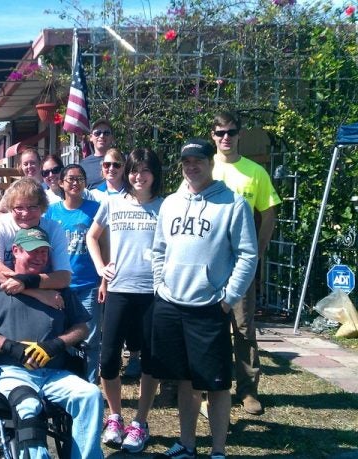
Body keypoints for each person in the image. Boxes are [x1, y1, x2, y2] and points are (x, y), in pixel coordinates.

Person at [151, 139, 257, 459]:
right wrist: (160, 284)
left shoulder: (233, 204)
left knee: (216, 383)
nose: (192, 167)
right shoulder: (170, 203)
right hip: (171, 302)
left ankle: (219, 450)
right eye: (186, 162)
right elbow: (159, 249)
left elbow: (248, 255)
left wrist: (228, 298)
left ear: (211, 163)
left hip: (209, 305)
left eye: (198, 160)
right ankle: (187, 443)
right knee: (185, 379)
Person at [0, 226, 104, 459]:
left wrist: (55, 345)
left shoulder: (59, 289)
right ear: (15, 251)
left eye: (44, 253)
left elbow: (81, 328)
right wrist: (10, 347)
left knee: (90, 395)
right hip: (11, 371)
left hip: (54, 373)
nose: (39, 257)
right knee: (28, 405)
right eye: (32, 251)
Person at [86, 148, 164, 453]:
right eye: (133, 170)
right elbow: (93, 236)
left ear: (155, 174)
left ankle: (140, 422)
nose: (138, 176)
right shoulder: (111, 202)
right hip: (119, 290)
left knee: (149, 361)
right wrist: (100, 268)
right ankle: (115, 416)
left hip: (153, 293)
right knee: (108, 360)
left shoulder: (165, 206)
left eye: (145, 171)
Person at [210, 110, 281, 415]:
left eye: (231, 132)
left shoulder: (255, 172)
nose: (226, 138)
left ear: (239, 134)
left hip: (241, 265)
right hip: (207, 266)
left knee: (242, 327)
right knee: (208, 325)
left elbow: (268, 213)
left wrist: (258, 251)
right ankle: (208, 383)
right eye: (219, 132)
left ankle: (248, 390)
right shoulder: (202, 167)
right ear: (212, 135)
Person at [44, 164, 101, 383]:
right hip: (60, 284)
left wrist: (103, 280)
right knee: (62, 335)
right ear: (61, 183)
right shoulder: (52, 212)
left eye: (79, 178)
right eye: (70, 179)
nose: (75, 183)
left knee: (91, 338)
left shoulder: (95, 209)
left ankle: (90, 384)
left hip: (88, 283)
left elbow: (103, 244)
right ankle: (65, 379)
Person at [0, 177, 72, 292]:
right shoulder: (0, 225)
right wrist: (35, 293)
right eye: (19, 208)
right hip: (4, 291)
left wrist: (25, 283)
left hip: (43, 291)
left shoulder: (53, 229)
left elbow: (64, 277)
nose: (25, 213)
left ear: (42, 207)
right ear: (10, 208)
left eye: (32, 207)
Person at [0, 147, 43, 214]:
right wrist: (16, 222)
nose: (29, 166)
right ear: (21, 167)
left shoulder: (49, 187)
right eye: (25, 164)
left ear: (40, 164)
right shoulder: (14, 188)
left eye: (32, 163)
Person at [80, 119, 116, 190]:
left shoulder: (121, 161)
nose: (102, 136)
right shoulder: (83, 165)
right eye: (97, 133)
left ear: (112, 137)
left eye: (106, 133)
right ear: (91, 137)